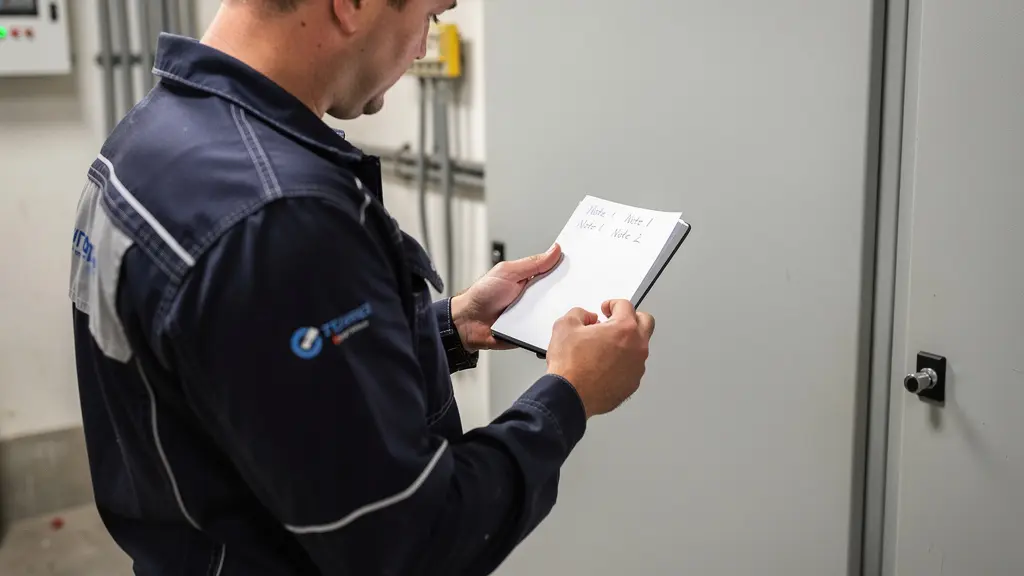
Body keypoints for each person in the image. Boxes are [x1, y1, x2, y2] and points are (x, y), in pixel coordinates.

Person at [67, 0, 656, 574]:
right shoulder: (280, 216)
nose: (422, 48)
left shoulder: (151, 137)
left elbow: (252, 377)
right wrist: (570, 394)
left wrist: (451, 326)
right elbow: (413, 541)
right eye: (428, 17)